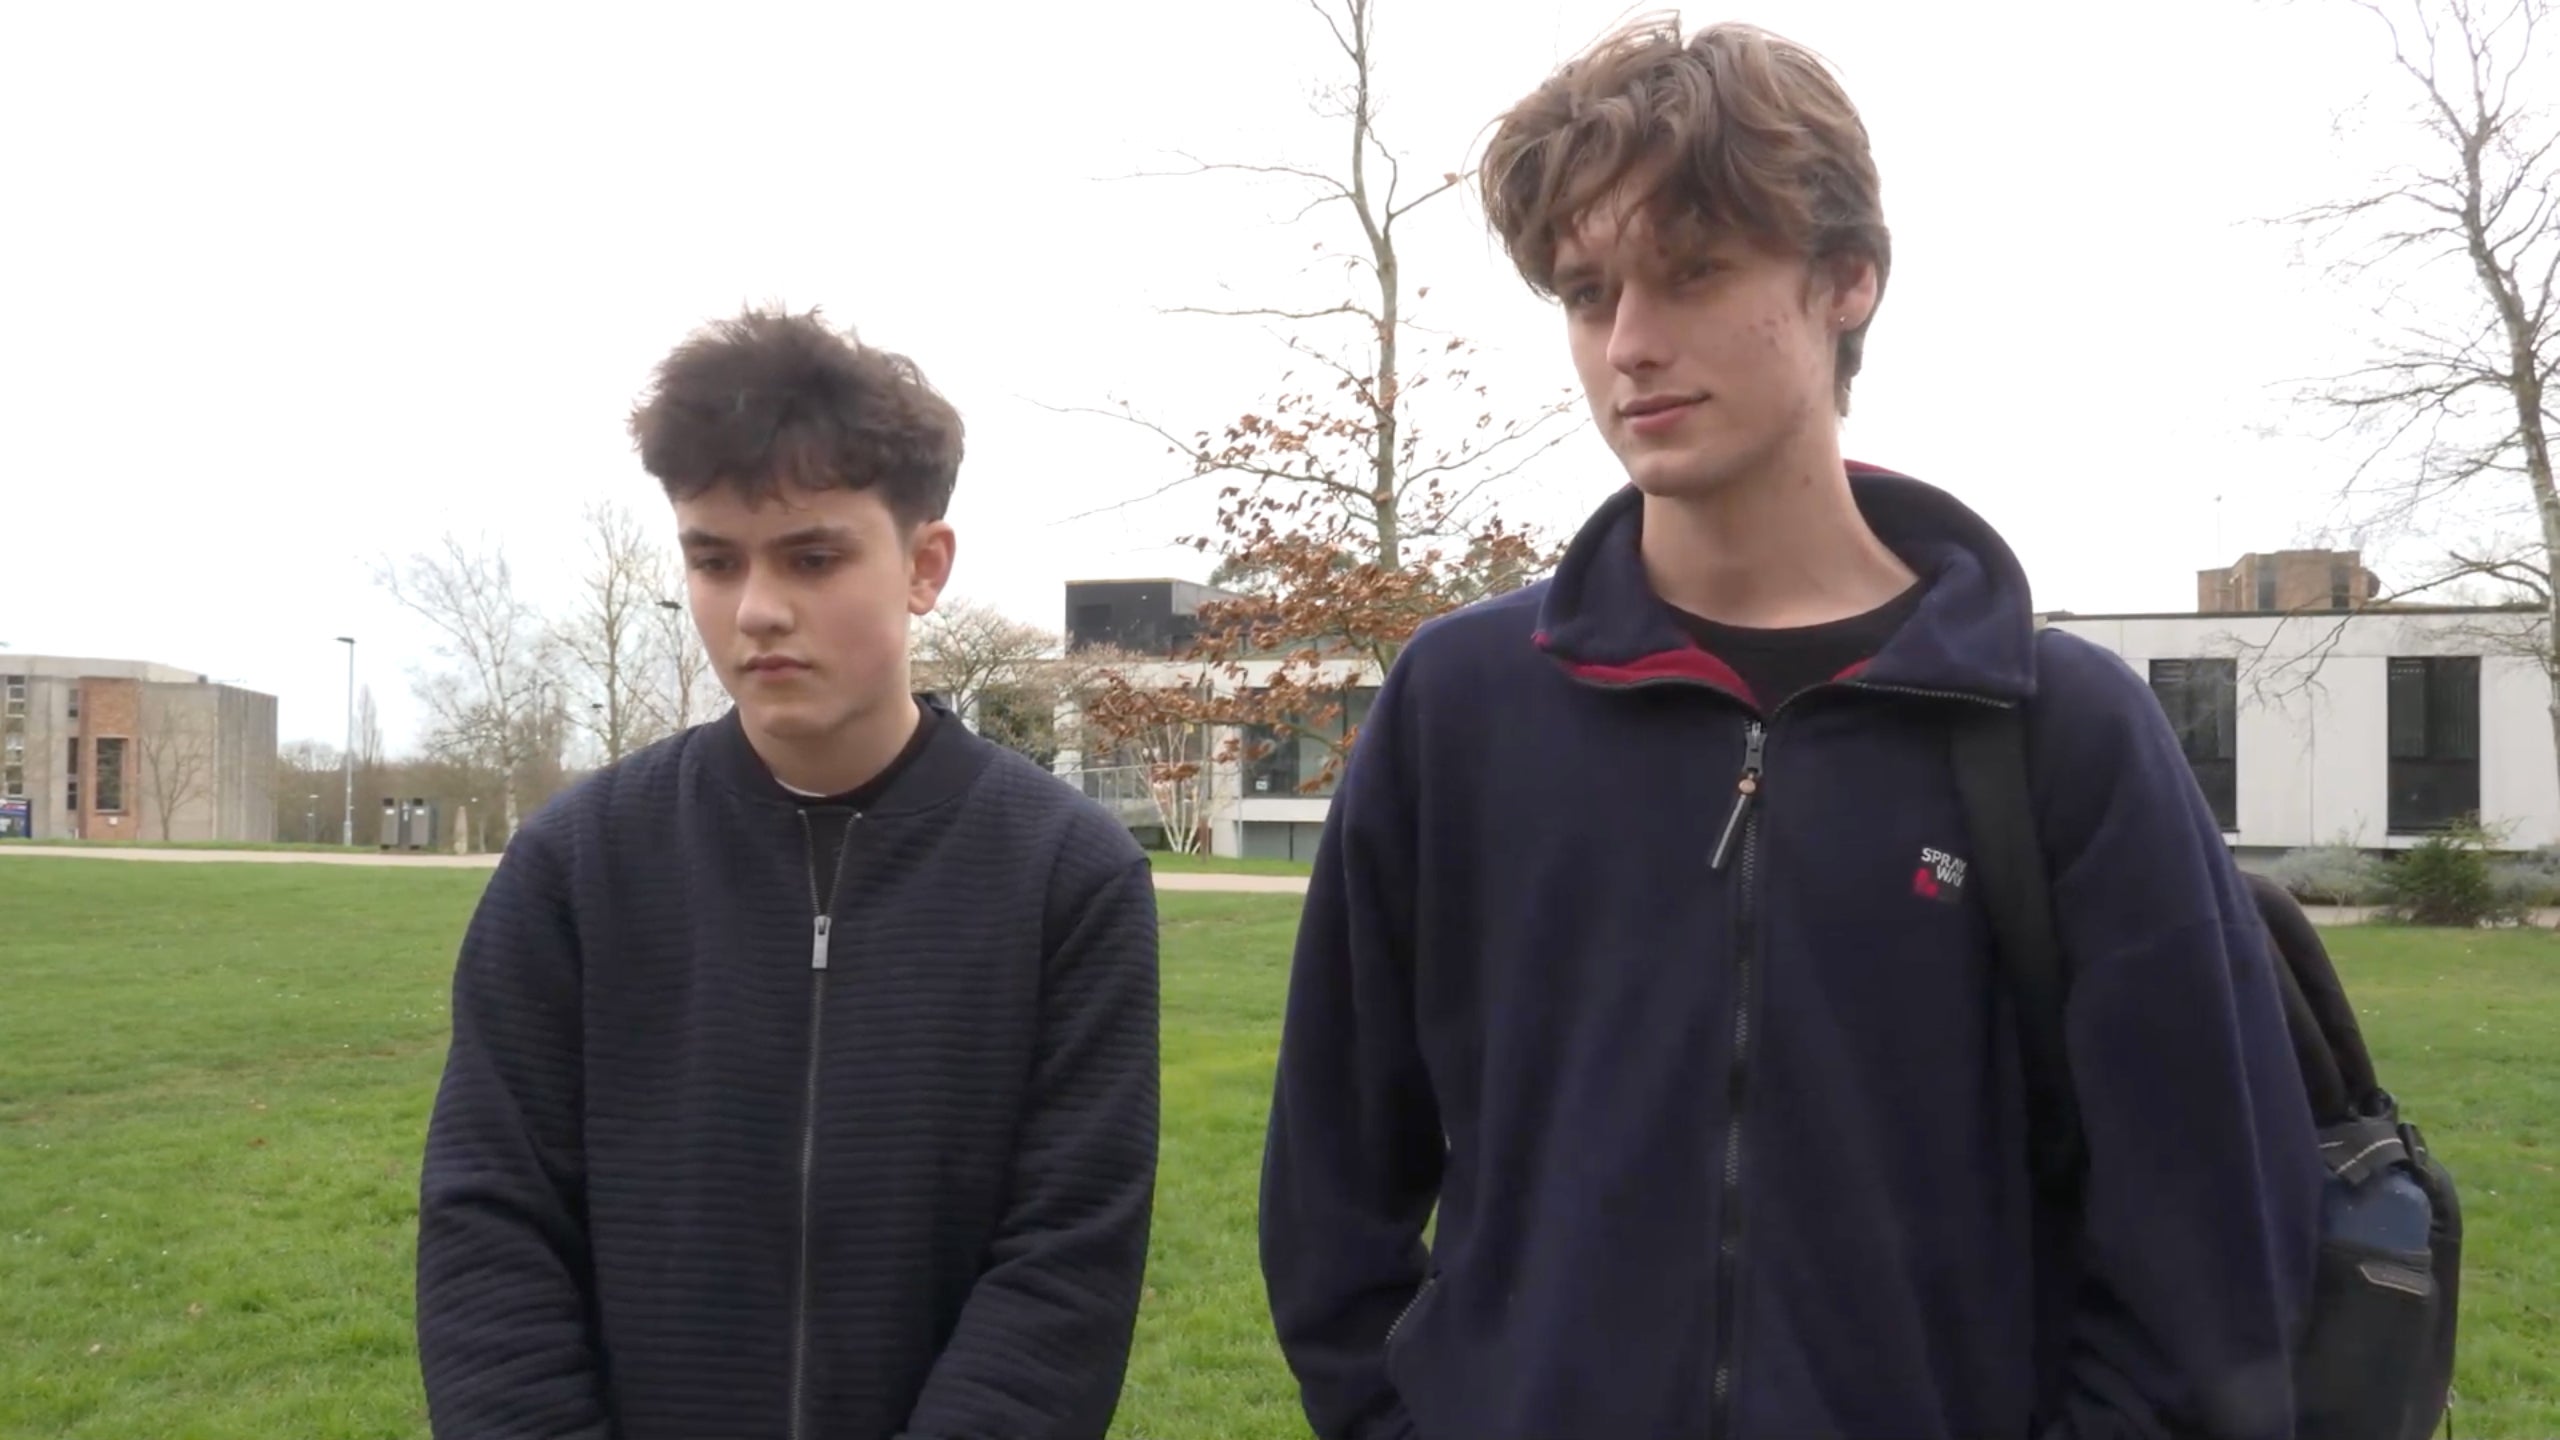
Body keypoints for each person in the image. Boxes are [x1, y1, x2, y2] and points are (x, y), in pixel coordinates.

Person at [1257, 18, 2324, 1440]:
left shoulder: (2058, 732)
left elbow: (2210, 1258)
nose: (1631, 344)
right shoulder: (1458, 708)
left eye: (1693, 271)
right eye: (1587, 293)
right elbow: (1332, 1189)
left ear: (1847, 278)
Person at [415, 308, 1161, 1440]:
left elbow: (1066, 1266)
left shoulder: (1065, 876)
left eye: (812, 558)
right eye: (714, 560)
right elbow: (491, 1228)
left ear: (924, 566)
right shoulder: (576, 865)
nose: (757, 609)